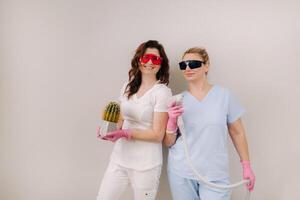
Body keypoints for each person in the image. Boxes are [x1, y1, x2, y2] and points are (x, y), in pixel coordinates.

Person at [163, 47, 255, 200]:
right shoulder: (177, 100)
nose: (187, 68)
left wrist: (246, 166)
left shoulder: (224, 96)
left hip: (215, 174)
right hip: (181, 172)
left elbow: (237, 133)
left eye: (193, 64)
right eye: (183, 65)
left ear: (206, 65)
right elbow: (168, 142)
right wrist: (172, 121)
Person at [96, 40, 172, 200]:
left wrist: (125, 133)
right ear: (139, 60)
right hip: (119, 159)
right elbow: (121, 119)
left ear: (161, 64)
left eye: (156, 59)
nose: (150, 62)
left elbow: (158, 135)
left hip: (146, 165)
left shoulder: (162, 92)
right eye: (146, 58)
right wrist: (109, 130)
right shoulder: (127, 87)